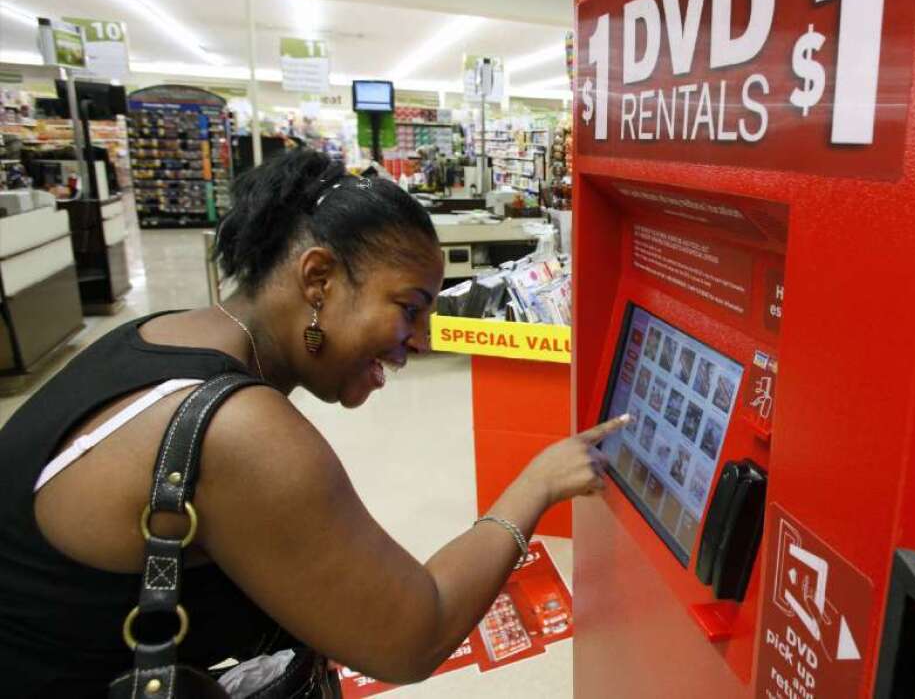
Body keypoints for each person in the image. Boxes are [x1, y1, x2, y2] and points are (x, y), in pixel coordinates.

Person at [0, 150, 626, 696]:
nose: (420, 340)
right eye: (408, 308)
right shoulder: (237, 431)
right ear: (318, 277)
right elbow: (413, 633)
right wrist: (536, 484)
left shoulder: (160, 334)